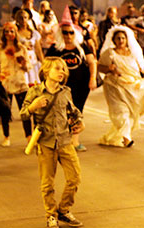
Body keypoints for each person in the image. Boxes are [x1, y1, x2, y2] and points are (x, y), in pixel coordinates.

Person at [20, 57, 84, 228]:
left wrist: (80, 121)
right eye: (58, 68)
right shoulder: (35, 92)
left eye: (63, 69)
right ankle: (51, 215)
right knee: (47, 184)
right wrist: (33, 107)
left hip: (65, 141)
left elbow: (73, 110)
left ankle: (63, 210)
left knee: (74, 178)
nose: (62, 72)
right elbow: (23, 114)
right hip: (46, 143)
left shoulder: (66, 92)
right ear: (47, 71)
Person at [98, 25, 144, 147]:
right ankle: (127, 138)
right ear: (113, 40)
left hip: (132, 87)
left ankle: (117, 136)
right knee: (121, 111)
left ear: (127, 40)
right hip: (115, 87)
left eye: (123, 38)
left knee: (130, 112)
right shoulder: (110, 53)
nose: (120, 41)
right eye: (118, 38)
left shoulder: (133, 53)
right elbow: (99, 67)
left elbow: (142, 65)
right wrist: (109, 69)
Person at [46, 20, 97, 152]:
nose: (68, 36)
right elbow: (46, 67)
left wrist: (92, 79)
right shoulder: (55, 49)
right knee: (60, 113)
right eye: (65, 33)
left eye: (71, 33)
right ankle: (61, 140)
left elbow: (92, 62)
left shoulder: (81, 46)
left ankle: (75, 141)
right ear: (60, 34)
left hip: (81, 85)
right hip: (61, 87)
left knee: (77, 112)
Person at [0, 22, 32, 147]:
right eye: (6, 31)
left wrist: (23, 64)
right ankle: (6, 136)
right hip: (5, 84)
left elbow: (28, 68)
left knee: (25, 112)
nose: (9, 34)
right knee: (6, 112)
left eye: (12, 31)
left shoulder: (22, 48)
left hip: (20, 83)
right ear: (3, 33)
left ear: (16, 33)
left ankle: (29, 137)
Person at [15, 8, 43, 86]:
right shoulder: (15, 33)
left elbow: (38, 50)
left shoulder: (34, 33)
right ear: (17, 19)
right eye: (21, 18)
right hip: (22, 63)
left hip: (33, 63)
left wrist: (43, 63)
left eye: (25, 17)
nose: (23, 20)